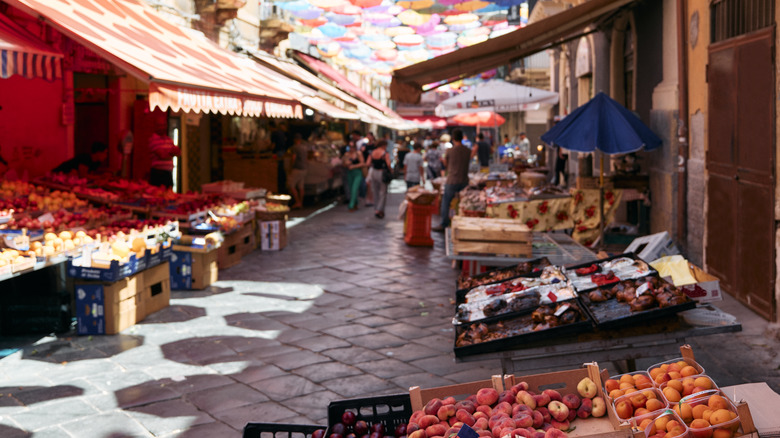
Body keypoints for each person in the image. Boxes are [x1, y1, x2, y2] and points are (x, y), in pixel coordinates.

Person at [432, 129, 471, 232]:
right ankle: (464, 222)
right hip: (464, 180)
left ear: (453, 139)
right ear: (462, 138)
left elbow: (446, 166)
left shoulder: (450, 151)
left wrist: (443, 161)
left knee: (446, 202)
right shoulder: (467, 151)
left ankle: (444, 224)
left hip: (452, 180)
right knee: (464, 202)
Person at [148, 121, 181, 188]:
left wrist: (167, 152)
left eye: (164, 125)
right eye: (160, 125)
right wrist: (171, 153)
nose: (162, 128)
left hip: (168, 173)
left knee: (169, 195)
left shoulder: (169, 139)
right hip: (158, 174)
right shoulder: (153, 140)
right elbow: (162, 155)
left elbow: (178, 152)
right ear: (155, 127)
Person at [366, 139, 392, 219]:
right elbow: (388, 164)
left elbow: (368, 163)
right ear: (383, 145)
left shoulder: (372, 153)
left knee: (376, 191)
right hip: (382, 173)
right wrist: (391, 171)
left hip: (374, 172)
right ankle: (380, 209)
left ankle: (376, 209)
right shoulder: (385, 153)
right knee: (383, 192)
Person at [341, 144, 365, 212]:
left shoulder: (358, 153)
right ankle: (355, 203)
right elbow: (343, 163)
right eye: (350, 147)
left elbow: (362, 163)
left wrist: (353, 166)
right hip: (350, 173)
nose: (351, 148)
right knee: (351, 189)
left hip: (357, 173)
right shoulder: (346, 154)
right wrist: (346, 164)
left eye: (352, 147)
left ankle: (351, 205)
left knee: (354, 188)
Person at [288, 133, 309, 209]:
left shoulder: (295, 148)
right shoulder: (305, 147)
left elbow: (293, 158)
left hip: (297, 168)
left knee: (291, 185)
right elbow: (306, 158)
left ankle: (297, 202)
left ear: (295, 140)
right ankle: (301, 202)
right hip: (304, 169)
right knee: (301, 186)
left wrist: (290, 167)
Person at [270, 120, 288, 193]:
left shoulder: (274, 133)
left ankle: (280, 186)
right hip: (283, 151)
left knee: (278, 169)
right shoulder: (281, 132)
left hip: (278, 152)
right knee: (281, 169)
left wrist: (269, 148)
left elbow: (273, 145)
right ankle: (281, 185)